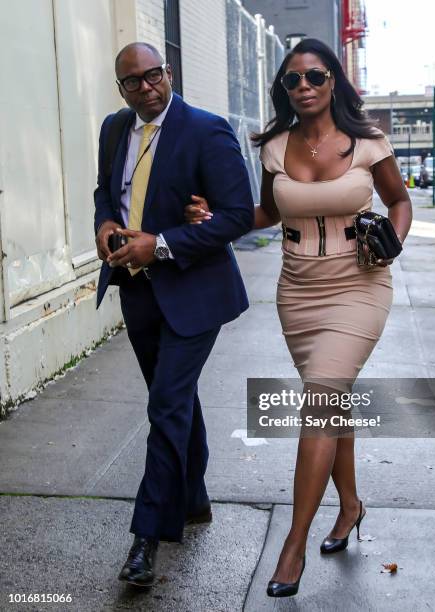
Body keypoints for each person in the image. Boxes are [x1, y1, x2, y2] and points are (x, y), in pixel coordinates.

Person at [185, 38, 412, 598]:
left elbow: (399, 202)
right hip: (299, 293)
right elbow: (264, 211)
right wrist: (217, 217)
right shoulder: (274, 146)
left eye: (315, 75)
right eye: (293, 80)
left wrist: (395, 240)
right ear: (284, 89)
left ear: (333, 80)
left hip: (359, 283)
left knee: (321, 399)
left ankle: (294, 543)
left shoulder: (369, 143)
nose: (305, 86)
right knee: (332, 400)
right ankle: (351, 504)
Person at [94, 42, 254, 587]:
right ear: (121, 89)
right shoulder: (115, 129)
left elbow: (235, 216)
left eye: (153, 75)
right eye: (132, 81)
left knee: (165, 405)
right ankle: (194, 498)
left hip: (194, 291)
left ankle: (146, 537)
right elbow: (105, 193)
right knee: (174, 399)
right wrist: (103, 226)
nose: (146, 87)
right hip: (136, 291)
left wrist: (160, 243)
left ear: (169, 72)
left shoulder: (206, 130)